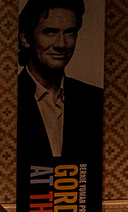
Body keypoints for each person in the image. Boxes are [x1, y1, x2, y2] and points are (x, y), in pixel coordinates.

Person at [17, 0, 102, 160]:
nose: (62, 44)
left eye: (70, 32)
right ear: (25, 38)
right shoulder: (6, 99)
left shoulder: (97, 100)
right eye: (50, 32)